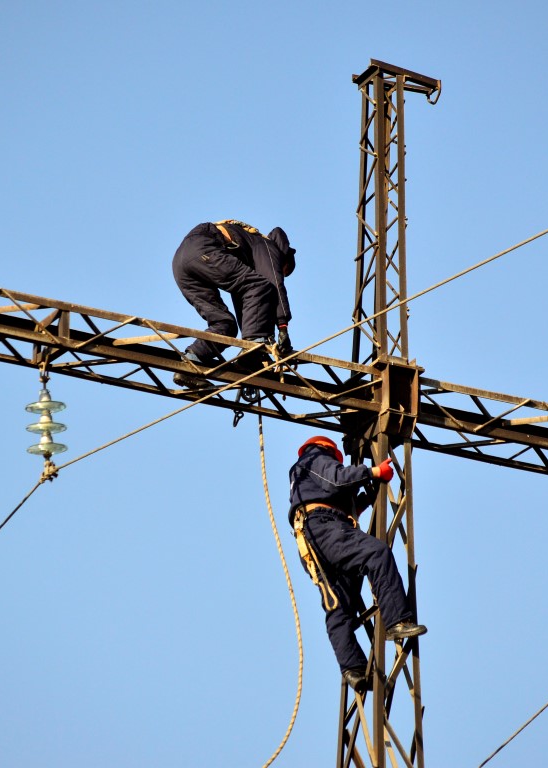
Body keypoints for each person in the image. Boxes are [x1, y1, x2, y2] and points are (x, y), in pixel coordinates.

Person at [288, 435, 427, 692]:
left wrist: (369, 493)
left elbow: (338, 498)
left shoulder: (305, 479)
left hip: (314, 537)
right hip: (325, 528)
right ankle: (397, 621)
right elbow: (337, 479)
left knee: (338, 604)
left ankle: (353, 669)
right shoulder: (316, 456)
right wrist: (373, 471)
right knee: (377, 554)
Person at [171, 220, 295, 389]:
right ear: (284, 258)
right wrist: (282, 327)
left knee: (225, 325)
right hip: (204, 247)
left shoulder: (247, 253)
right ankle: (252, 349)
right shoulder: (267, 245)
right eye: (284, 271)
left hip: (182, 263)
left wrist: (253, 337)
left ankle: (191, 363)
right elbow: (273, 283)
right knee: (260, 285)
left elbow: (248, 303)